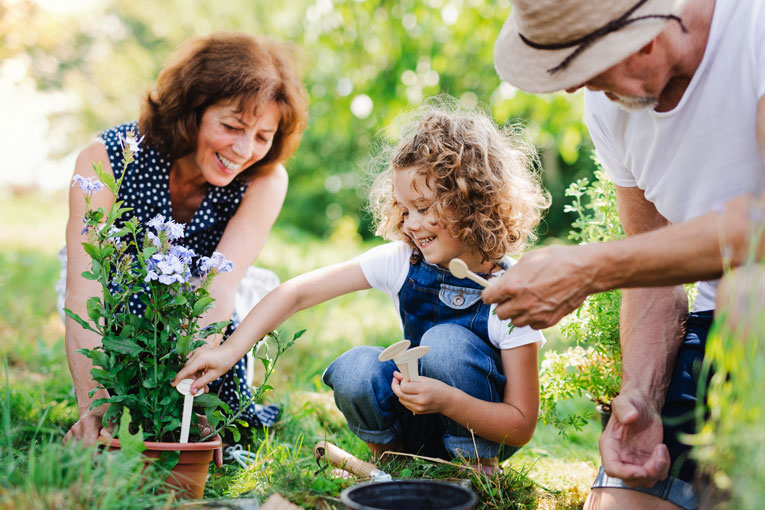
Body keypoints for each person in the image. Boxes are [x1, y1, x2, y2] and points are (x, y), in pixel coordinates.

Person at [489, 0, 765, 509]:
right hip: (717, 334)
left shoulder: (754, 31)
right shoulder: (611, 107)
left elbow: (759, 229)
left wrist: (588, 268)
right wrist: (641, 395)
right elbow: (653, 272)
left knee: (747, 289)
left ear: (646, 35)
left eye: (585, 66)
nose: (574, 87)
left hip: (750, 311)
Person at [173, 104, 550, 471]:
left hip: (480, 425)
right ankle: (390, 458)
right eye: (405, 210)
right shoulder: (404, 260)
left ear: (471, 201)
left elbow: (520, 425)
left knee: (448, 344)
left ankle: (476, 468)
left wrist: (448, 400)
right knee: (356, 368)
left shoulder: (509, 293)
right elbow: (297, 293)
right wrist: (229, 350)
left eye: (423, 207)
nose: (412, 224)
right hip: (415, 411)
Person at [62, 32, 308, 446]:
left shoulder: (265, 179)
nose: (245, 149)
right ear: (193, 112)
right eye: (231, 126)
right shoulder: (103, 158)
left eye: (263, 136)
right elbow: (84, 285)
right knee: (119, 396)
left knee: (222, 415)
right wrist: (95, 405)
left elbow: (220, 285)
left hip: (198, 311)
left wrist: (186, 385)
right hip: (117, 302)